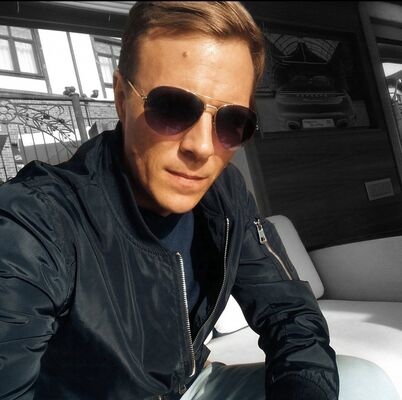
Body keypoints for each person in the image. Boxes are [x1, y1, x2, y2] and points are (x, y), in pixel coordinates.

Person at [0, 2, 399, 400]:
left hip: (192, 387)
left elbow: (288, 313)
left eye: (232, 121)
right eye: (172, 108)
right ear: (122, 98)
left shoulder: (224, 195)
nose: (203, 147)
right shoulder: (33, 224)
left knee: (361, 382)